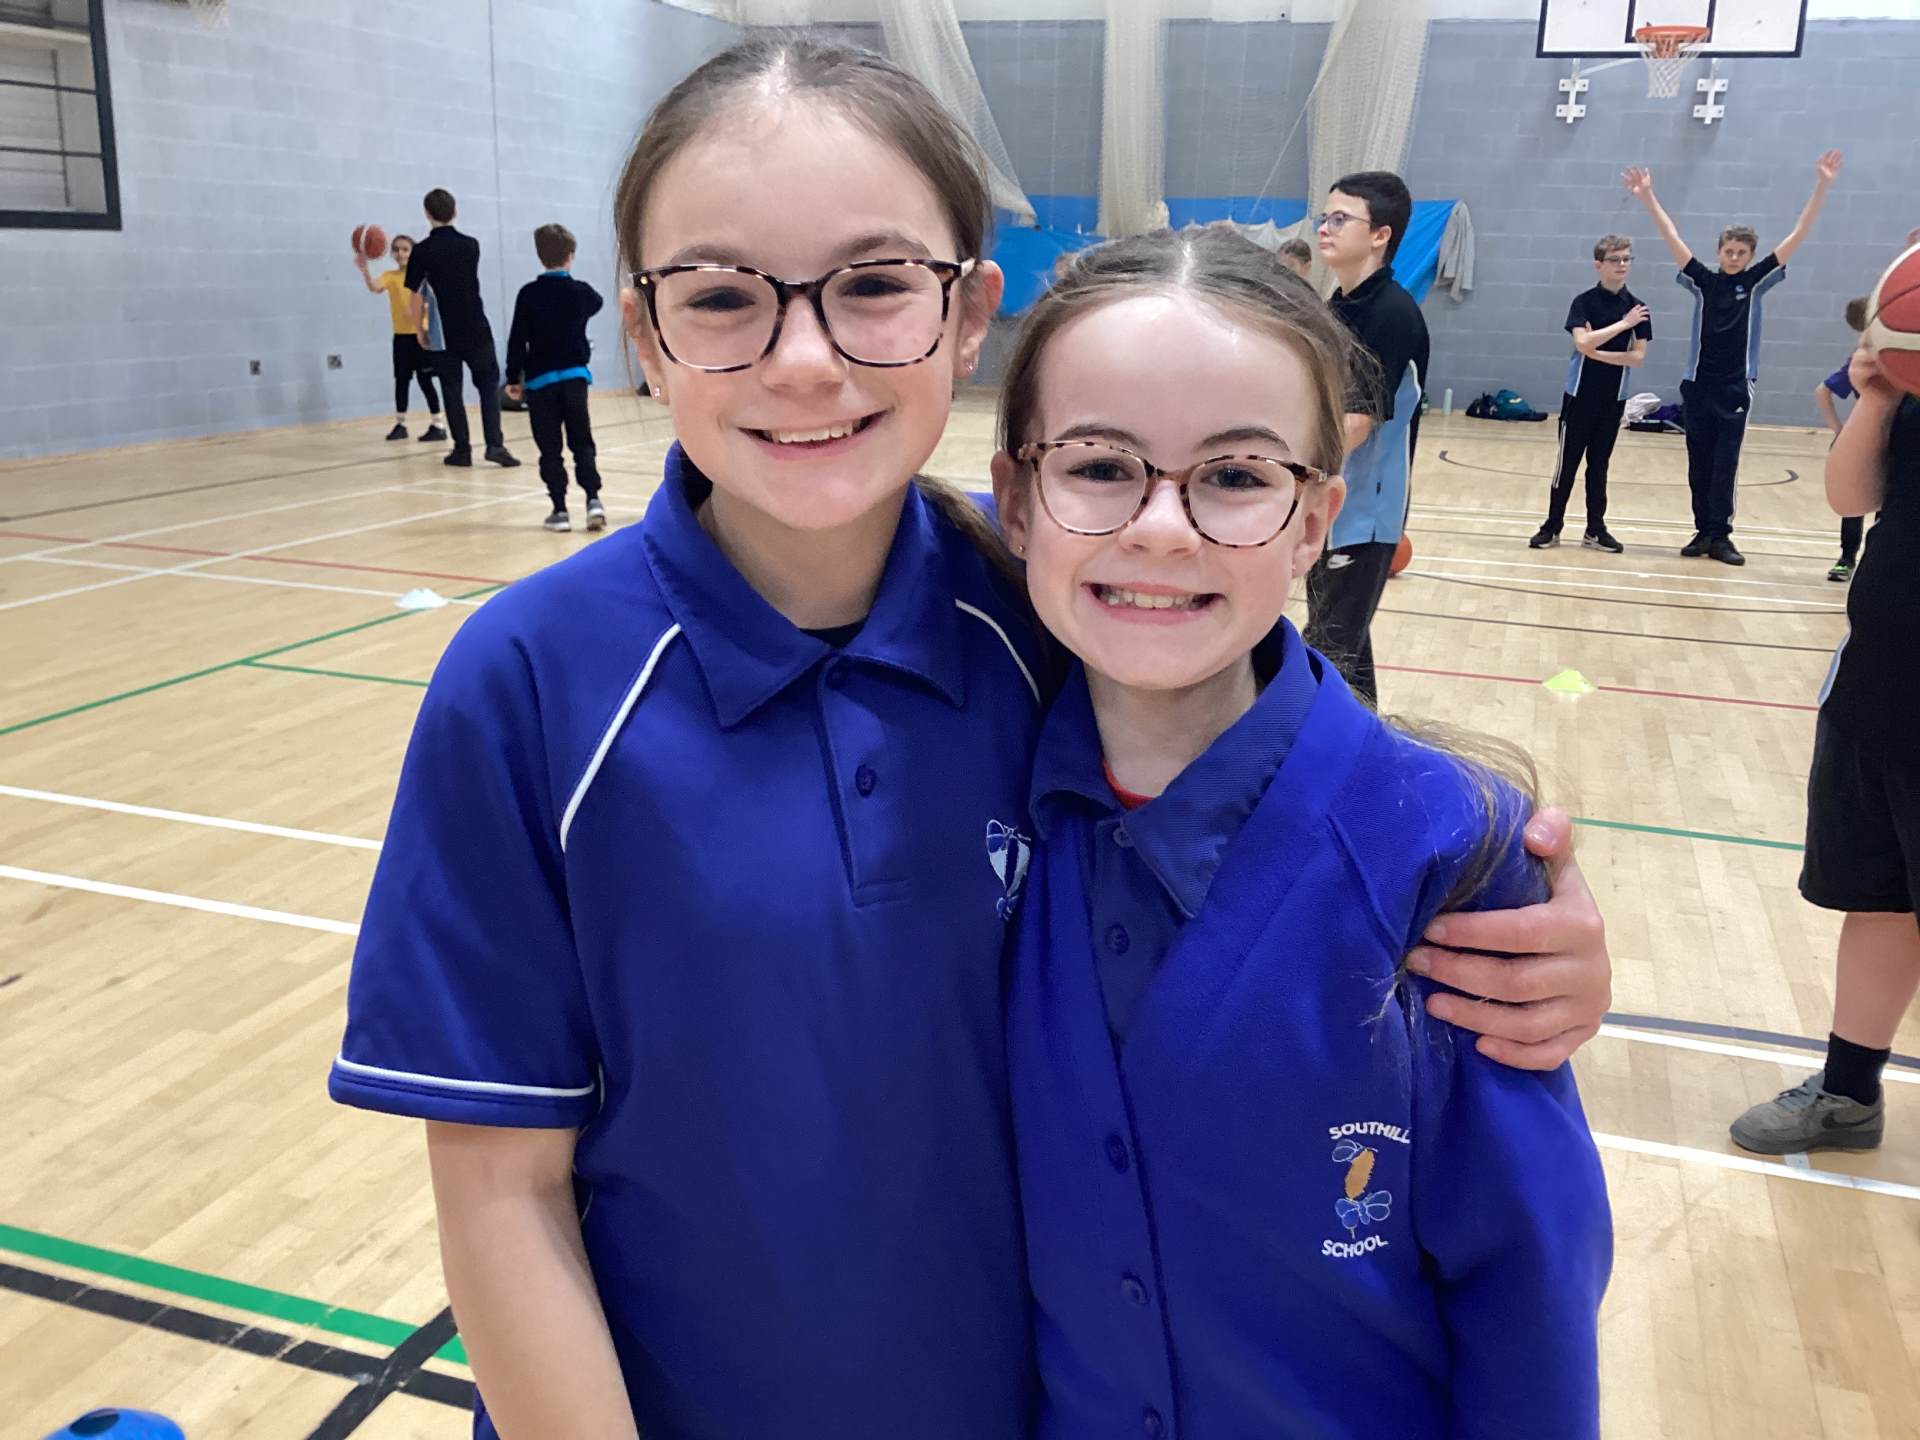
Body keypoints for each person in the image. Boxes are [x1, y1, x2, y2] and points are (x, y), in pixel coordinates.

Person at [328, 35, 1614, 1440]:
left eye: (875, 284)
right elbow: (501, 1194)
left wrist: (1504, 905)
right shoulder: (529, 684)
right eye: (722, 297)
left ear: (967, 313)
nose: (804, 361)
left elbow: (1277, 780)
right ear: (644, 332)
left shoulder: (1045, 616)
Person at [993, 222, 1611, 1440]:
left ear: (1316, 518)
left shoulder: (1450, 858)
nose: (1162, 528)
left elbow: (1528, 1298)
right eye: (1102, 465)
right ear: (1015, 500)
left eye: (1235, 477)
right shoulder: (970, 786)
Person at [1731, 340, 1919, 1156]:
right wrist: (1877, 397)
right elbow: (1849, 495)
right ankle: (1848, 1094)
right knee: (1879, 897)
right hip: (1879, 683)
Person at [1625, 151, 1843, 565]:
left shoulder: (1756, 282)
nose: (1734, 257)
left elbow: (1798, 234)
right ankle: (1703, 532)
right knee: (1699, 464)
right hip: (1698, 384)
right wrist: (1647, 196)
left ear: (1750, 255)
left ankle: (1722, 536)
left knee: (1726, 463)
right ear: (1719, 251)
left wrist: (1822, 185)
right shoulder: (1704, 282)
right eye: (1729, 250)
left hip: (1735, 386)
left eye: (1742, 252)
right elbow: (1672, 238)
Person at [1305, 170, 1428, 706]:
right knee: (1345, 655)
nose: (1324, 229)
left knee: (1324, 651)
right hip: (1330, 503)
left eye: (1340, 219)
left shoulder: (1392, 314)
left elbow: (1357, 423)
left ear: (1380, 235)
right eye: (1324, 218)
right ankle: (1367, 741)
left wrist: (1288, 470)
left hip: (1365, 513)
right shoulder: (1337, 307)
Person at [1530, 235, 1650, 553]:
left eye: (1626, 259)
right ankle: (1552, 526)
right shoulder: (1583, 303)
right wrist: (1622, 325)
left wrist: (1600, 353)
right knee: (1567, 465)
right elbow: (1582, 342)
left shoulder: (1638, 308)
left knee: (1599, 467)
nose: (1622, 264)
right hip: (1579, 397)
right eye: (1615, 259)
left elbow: (1638, 357)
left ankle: (1595, 530)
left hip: (1613, 400)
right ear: (1599, 264)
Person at [404, 187, 520, 469]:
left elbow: (416, 296)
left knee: (451, 390)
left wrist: (419, 329)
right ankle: (495, 445)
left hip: (444, 333)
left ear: (427, 213)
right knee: (488, 387)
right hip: (477, 327)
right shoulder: (471, 245)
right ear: (455, 211)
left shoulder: (421, 251)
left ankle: (462, 450)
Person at [505, 223, 607, 534]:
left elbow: (517, 339)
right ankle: (593, 500)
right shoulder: (581, 292)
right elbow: (598, 302)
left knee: (550, 448)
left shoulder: (528, 294)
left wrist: (513, 377)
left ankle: (560, 510)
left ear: (539, 255)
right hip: (575, 378)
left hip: (541, 382)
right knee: (582, 442)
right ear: (571, 255)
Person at [354, 234, 445, 443]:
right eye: (396, 249)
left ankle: (438, 424)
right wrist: (365, 270)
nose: (400, 253)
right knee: (401, 380)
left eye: (405, 249)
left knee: (425, 380)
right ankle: (401, 424)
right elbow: (375, 287)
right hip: (401, 338)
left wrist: (425, 322)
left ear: (413, 252)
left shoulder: (423, 277)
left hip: (421, 336)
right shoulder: (390, 276)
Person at [1815, 296, 1871, 581]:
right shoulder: (1865, 359)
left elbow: (1822, 391)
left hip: (1885, 434)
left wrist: (1839, 429)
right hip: (1870, 434)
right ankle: (1850, 558)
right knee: (1860, 499)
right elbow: (1823, 390)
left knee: (1867, 500)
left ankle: (1853, 560)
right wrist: (1839, 431)